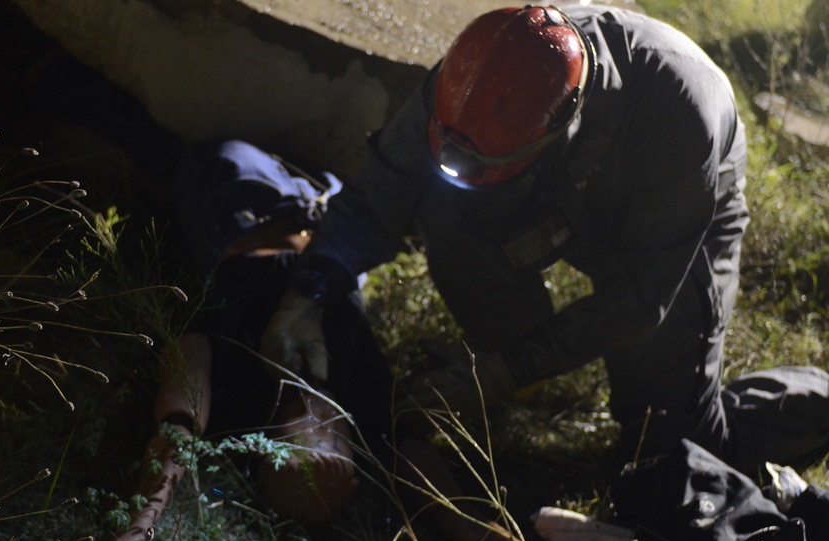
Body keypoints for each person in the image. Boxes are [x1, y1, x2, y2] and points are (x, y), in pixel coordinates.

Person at [57, 139, 676, 541]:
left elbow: (174, 431)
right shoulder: (372, 415)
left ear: (268, 445)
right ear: (356, 457)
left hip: (238, 204)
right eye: (341, 448)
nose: (326, 422)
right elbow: (460, 518)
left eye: (306, 439)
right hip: (334, 215)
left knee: (206, 147)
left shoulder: (236, 384)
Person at [259, 5, 829, 477]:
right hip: (550, 176)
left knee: (668, 448)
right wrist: (307, 293)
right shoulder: (479, 75)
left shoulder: (681, 120)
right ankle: (508, 354)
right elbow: (386, 185)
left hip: (675, 213)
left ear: (564, 126)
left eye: (489, 161)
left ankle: (813, 403)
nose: (466, 165)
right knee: (445, 200)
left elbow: (640, 298)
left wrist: (501, 373)